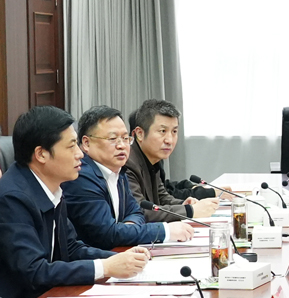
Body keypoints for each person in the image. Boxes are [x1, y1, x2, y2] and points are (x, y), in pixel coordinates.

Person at [0, 106, 150, 298]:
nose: (80, 154)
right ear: (41, 154)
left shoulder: (52, 187)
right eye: (71, 146)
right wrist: (105, 267)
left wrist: (121, 259)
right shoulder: (12, 198)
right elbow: (34, 271)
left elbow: (71, 248)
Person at [63, 106, 194, 250]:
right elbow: (107, 234)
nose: (121, 146)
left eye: (125, 138)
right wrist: (165, 231)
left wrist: (128, 229)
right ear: (86, 143)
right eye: (112, 139)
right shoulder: (81, 177)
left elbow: (136, 212)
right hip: (93, 259)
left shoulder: (118, 171)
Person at [125, 100, 219, 222]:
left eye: (174, 131)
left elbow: (163, 198)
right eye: (162, 131)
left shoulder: (153, 159)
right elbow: (139, 210)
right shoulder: (127, 163)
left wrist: (183, 204)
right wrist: (190, 211)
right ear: (140, 134)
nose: (169, 140)